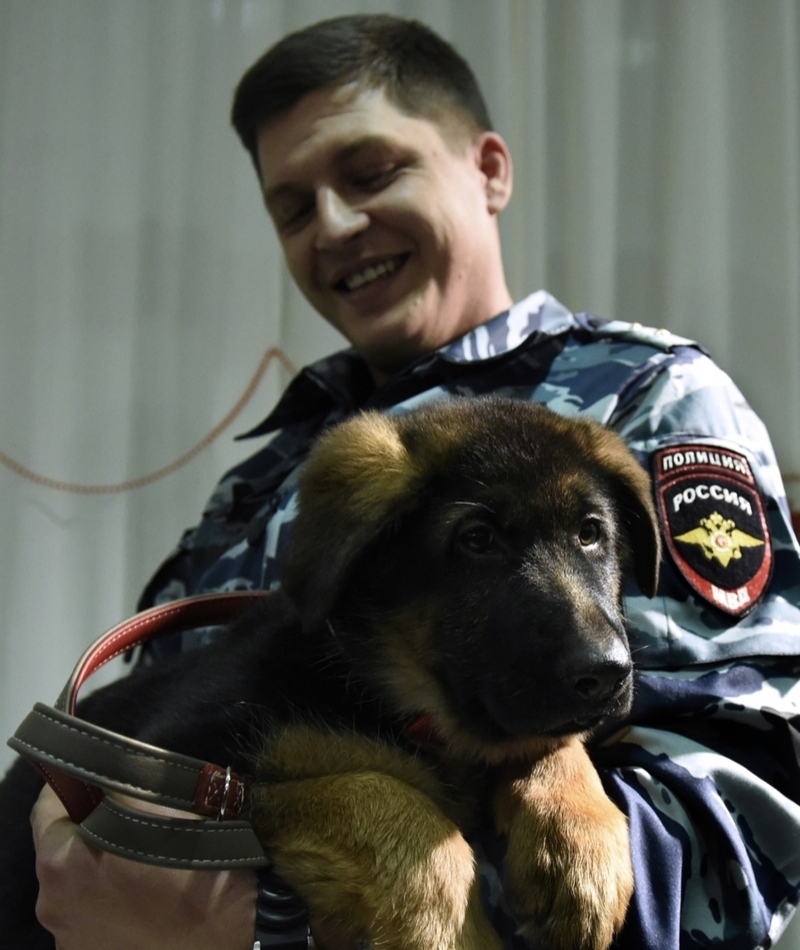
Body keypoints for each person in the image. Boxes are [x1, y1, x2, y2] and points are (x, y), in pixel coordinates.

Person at [30, 14, 800, 950]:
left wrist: (275, 926)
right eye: (294, 207)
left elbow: (746, 830)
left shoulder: (644, 402)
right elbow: (168, 770)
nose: (337, 226)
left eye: (371, 173)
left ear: (489, 170)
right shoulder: (260, 481)